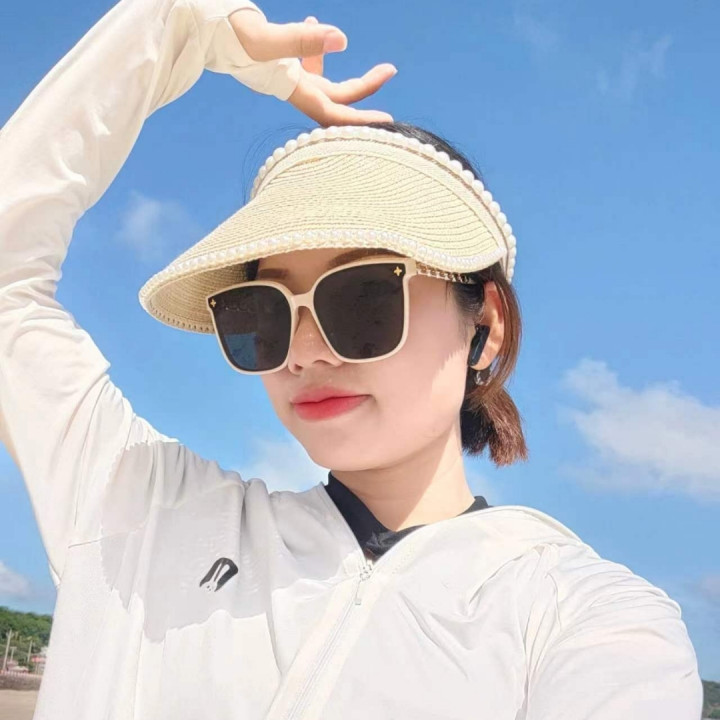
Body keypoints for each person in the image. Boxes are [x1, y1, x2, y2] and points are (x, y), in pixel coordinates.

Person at [0, 0, 703, 718]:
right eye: (262, 313)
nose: (304, 352)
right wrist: (180, 24)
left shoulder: (585, 619)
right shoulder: (145, 517)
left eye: (363, 298)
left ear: (485, 326)